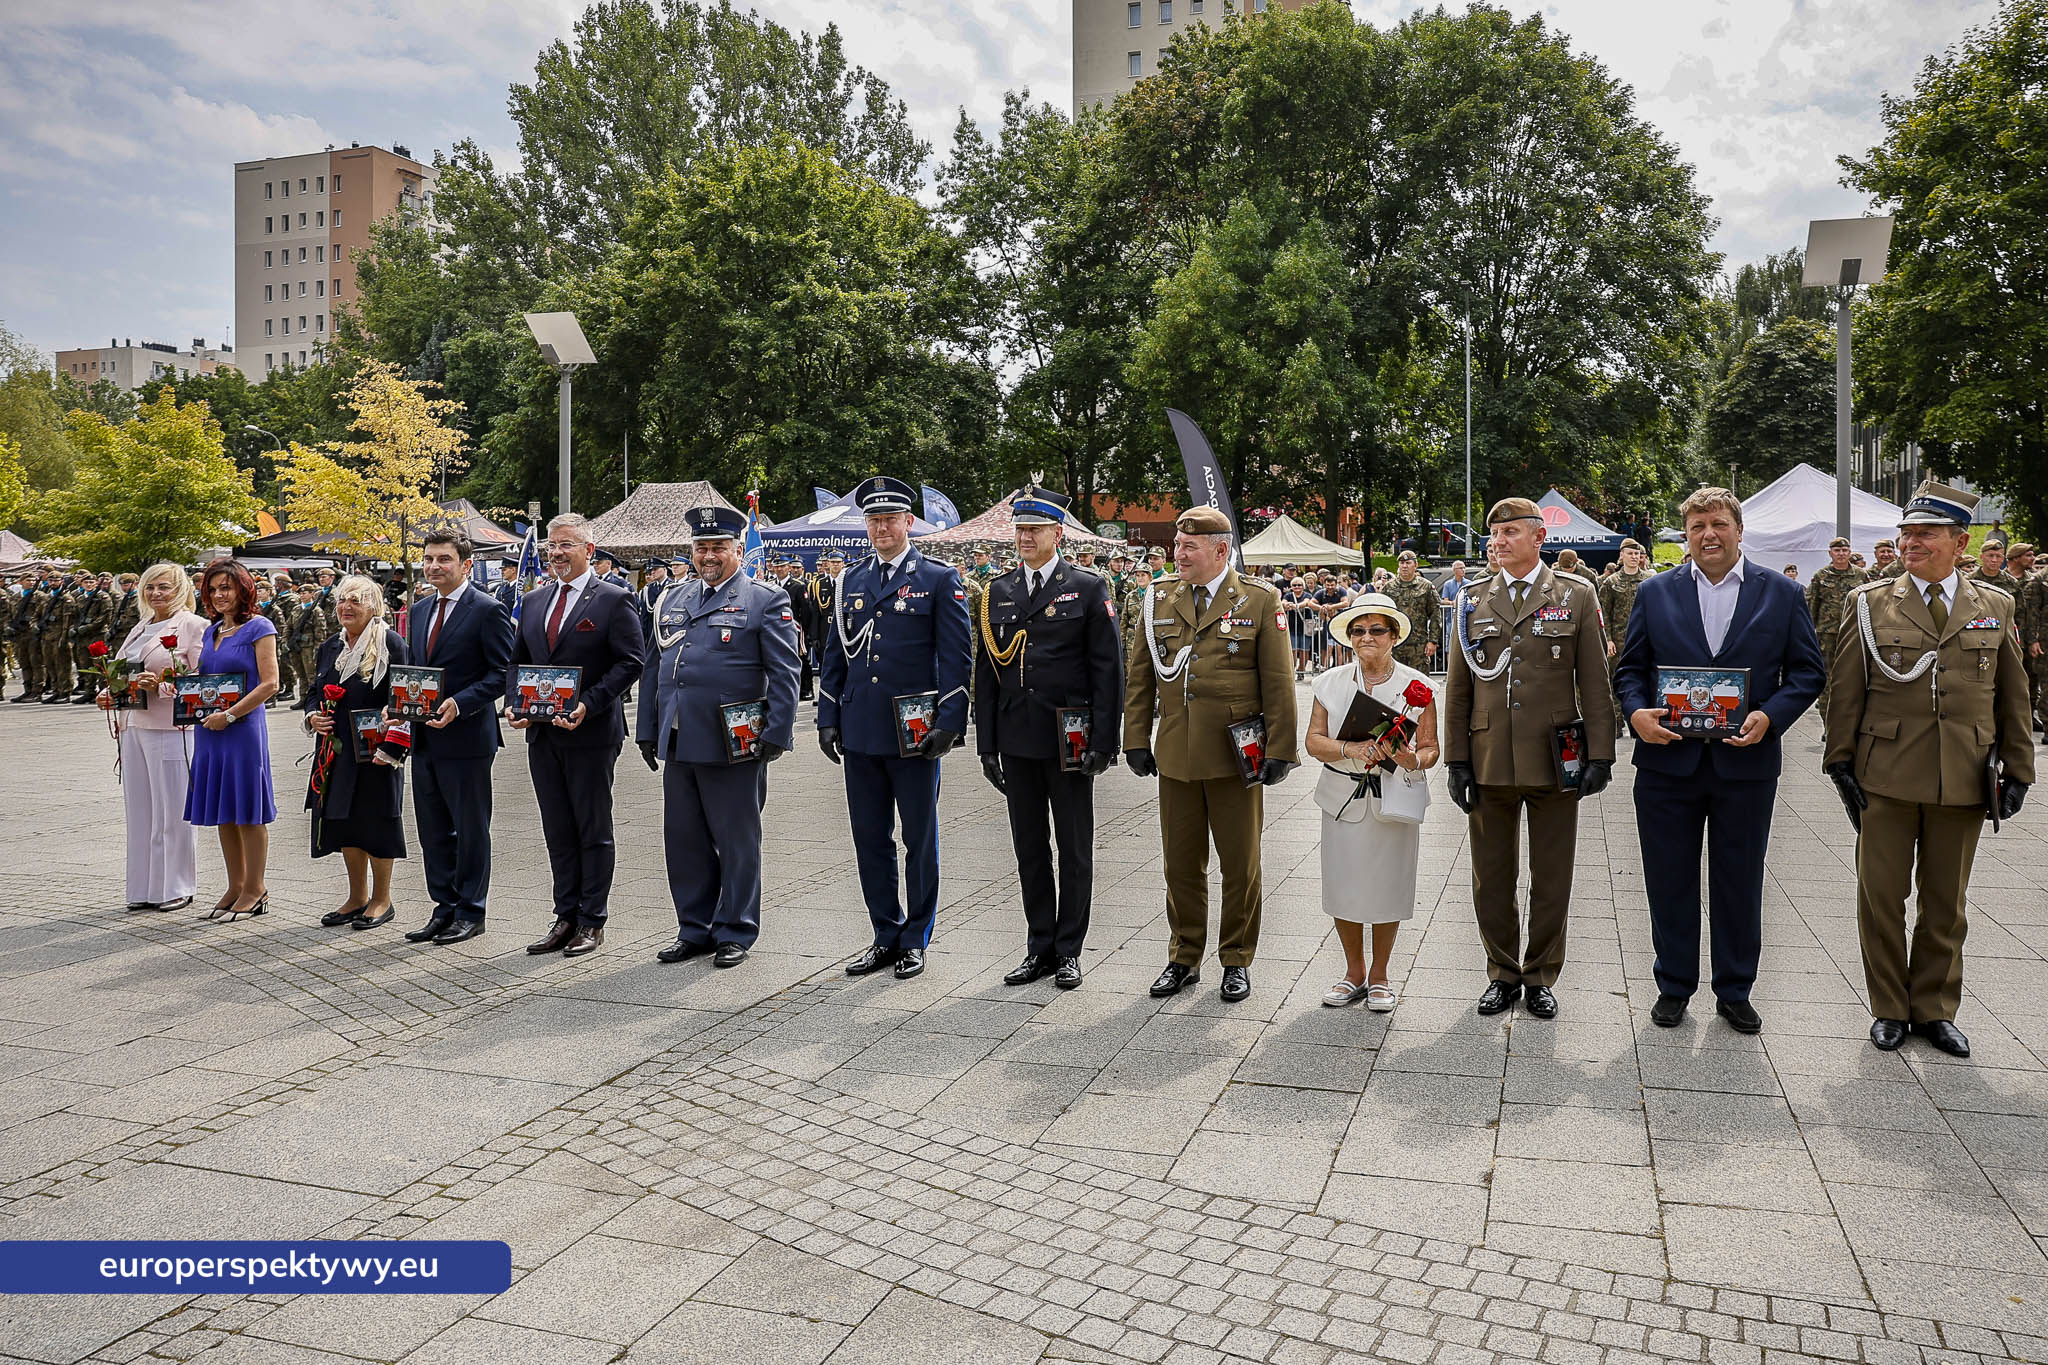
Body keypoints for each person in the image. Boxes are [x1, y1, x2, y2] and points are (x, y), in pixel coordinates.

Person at [1826, 481, 2035, 1057]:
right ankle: (1891, 1007)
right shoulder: (1868, 602)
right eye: (1907, 533)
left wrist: (2019, 767)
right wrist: (1838, 759)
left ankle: (1936, 1010)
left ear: (1958, 541)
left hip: (1963, 775)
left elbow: (2012, 695)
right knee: (1881, 898)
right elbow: (1845, 689)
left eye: (1925, 533)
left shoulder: (1995, 605)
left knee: (1946, 903)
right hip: (1885, 774)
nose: (1911, 542)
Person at [1615, 488, 1824, 1033]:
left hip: (1745, 765)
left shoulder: (1782, 593)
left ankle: (1734, 990)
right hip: (1666, 766)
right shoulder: (1655, 592)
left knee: (1739, 879)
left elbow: (1807, 673)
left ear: (1738, 528)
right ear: (1685, 535)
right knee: (1669, 878)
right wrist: (1636, 713)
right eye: (1697, 526)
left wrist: (1771, 717)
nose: (1708, 534)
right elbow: (1630, 670)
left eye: (1719, 524)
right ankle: (1673, 986)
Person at [1444, 497, 1616, 1017]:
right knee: (1490, 875)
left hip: (1555, 756)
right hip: (1489, 754)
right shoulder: (1471, 599)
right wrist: (1456, 760)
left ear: (1539, 537)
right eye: (1493, 534)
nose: (1497, 541)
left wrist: (1601, 755)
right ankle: (1502, 972)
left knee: (1552, 873)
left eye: (1509, 532)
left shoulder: (1576, 596)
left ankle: (1540, 973)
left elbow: (1594, 681)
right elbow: (1459, 688)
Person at [1123, 505, 1298, 1002]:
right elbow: (1140, 677)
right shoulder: (1158, 598)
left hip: (1235, 757)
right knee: (1180, 864)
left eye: (1188, 547)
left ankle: (1236, 958)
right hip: (1177, 754)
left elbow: (1278, 681)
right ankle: (1183, 956)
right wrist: (1135, 737)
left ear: (1220, 550)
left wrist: (1281, 748)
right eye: (1177, 545)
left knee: (1240, 864)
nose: (1178, 554)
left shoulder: (1260, 600)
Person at [818, 476, 971, 980]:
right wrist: (826, 716)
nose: (881, 527)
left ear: (909, 522)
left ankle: (915, 936)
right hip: (861, 728)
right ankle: (885, 931)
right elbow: (835, 655)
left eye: (891, 518)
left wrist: (951, 721)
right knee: (869, 839)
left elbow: (955, 659)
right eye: (874, 519)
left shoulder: (939, 579)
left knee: (919, 838)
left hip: (916, 732)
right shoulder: (851, 580)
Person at [637, 506, 801, 968]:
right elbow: (655, 668)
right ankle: (694, 927)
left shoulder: (764, 599)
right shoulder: (672, 599)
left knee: (736, 841)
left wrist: (777, 731)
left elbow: (785, 671)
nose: (709, 556)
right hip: (679, 734)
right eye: (701, 548)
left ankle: (735, 929)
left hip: (735, 741)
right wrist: (647, 729)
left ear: (737, 551)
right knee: (684, 840)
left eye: (718, 548)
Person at [974, 488, 1124, 991]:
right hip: (1017, 737)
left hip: (1070, 738)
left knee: (1075, 846)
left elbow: (1108, 668)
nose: (1025, 538)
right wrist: (986, 743)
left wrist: (1106, 738)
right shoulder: (998, 590)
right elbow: (987, 673)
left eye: (1034, 530)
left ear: (1057, 533)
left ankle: (1068, 950)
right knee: (1029, 847)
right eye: (1019, 530)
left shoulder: (1085, 586)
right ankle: (1038, 945)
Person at [511, 513, 647, 958]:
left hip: (591, 733)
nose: (556, 553)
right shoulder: (533, 602)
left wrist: (588, 703)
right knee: (557, 828)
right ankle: (564, 914)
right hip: (543, 735)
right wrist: (517, 704)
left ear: (589, 550)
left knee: (592, 827)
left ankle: (592, 920)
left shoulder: (614, 599)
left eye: (566, 545)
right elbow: (518, 663)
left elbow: (630, 663)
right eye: (552, 545)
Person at [1305, 595, 1439, 1011]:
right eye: (1358, 631)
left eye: (1377, 630)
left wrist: (1409, 758)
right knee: (1342, 885)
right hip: (1342, 796)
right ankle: (1353, 971)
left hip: (1392, 796)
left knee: (1387, 886)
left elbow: (1432, 748)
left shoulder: (1419, 686)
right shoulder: (1329, 681)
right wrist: (1351, 748)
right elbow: (1313, 742)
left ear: (1394, 636)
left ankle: (1380, 974)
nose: (1367, 638)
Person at [398, 530, 513, 946]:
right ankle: (443, 907)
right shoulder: (420, 610)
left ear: (465, 564)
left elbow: (501, 674)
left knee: (469, 828)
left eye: (443, 559)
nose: (433, 567)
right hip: (424, 738)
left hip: (466, 738)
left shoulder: (488, 610)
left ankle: (471, 910)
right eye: (428, 559)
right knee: (432, 829)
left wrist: (460, 703)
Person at [96, 564, 208, 912]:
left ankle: (176, 885)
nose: (156, 594)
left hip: (171, 727)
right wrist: (108, 692)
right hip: (133, 725)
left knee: (172, 810)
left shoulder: (193, 625)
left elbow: (204, 682)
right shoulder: (140, 628)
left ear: (180, 590)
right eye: (150, 588)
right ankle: (144, 886)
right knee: (142, 810)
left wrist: (160, 686)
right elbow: (121, 671)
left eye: (164, 587)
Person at [302, 576, 411, 930]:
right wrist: (312, 715)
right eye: (341, 601)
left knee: (376, 820)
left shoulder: (391, 643)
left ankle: (382, 899)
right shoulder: (330, 646)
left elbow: (406, 699)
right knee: (343, 820)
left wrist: (393, 747)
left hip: (375, 750)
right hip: (335, 751)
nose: (346, 607)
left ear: (374, 607)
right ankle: (356, 896)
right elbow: (313, 691)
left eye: (355, 601)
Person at [183, 559, 281, 921]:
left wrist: (231, 714)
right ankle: (236, 884)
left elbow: (271, 683)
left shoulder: (260, 626)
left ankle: (256, 888)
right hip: (211, 730)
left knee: (248, 811)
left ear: (243, 588)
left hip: (241, 728)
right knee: (225, 810)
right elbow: (205, 681)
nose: (219, 595)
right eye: (212, 589)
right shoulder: (211, 631)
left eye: (226, 587)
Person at [1806, 537, 1867, 718]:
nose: (1841, 554)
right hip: (1827, 637)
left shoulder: (1861, 575)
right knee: (1827, 682)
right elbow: (1811, 607)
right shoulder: (1821, 576)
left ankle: (1849, 723)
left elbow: (1868, 604)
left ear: (1849, 552)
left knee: (1853, 680)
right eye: (1837, 550)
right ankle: (1829, 725)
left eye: (1844, 550)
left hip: (1853, 635)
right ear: (1830, 553)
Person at [1384, 551, 1440, 673]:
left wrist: (1433, 641)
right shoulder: (1388, 588)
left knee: (1419, 683)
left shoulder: (1426, 586)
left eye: (1408, 563)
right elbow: (1381, 615)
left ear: (1415, 565)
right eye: (1402, 563)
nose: (1404, 566)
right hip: (1394, 643)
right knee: (1393, 680)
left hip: (1418, 646)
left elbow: (1435, 614)